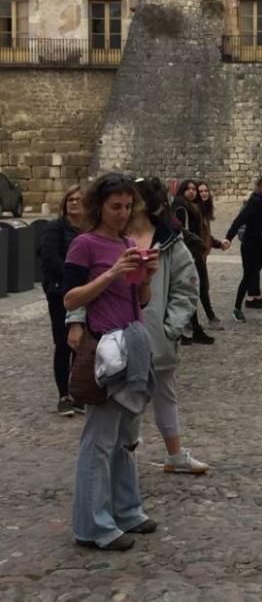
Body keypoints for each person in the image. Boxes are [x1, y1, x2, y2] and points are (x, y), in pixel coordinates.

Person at [63, 173, 159, 551]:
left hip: (132, 345)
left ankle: (126, 509)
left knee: (126, 439)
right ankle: (93, 525)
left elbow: (141, 300)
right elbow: (70, 299)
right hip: (106, 348)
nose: (122, 213)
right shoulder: (83, 245)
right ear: (99, 206)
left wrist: (145, 277)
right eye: (115, 206)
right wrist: (112, 272)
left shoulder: (127, 243)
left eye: (127, 206)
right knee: (99, 440)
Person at [122, 178, 209, 474]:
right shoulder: (112, 238)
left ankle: (175, 455)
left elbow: (186, 286)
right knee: (126, 400)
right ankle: (124, 461)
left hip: (158, 334)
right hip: (119, 335)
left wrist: (172, 326)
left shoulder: (170, 241)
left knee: (164, 395)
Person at [39, 185, 84, 416]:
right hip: (60, 293)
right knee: (63, 343)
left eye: (78, 199)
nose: (74, 203)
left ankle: (77, 392)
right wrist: (72, 279)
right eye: (70, 199)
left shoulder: (88, 230)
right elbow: (49, 258)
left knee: (81, 345)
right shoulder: (54, 228)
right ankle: (63, 395)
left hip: (85, 293)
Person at [223, 175, 262, 324]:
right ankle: (237, 309)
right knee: (248, 277)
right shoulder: (255, 202)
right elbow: (239, 220)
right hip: (251, 246)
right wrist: (228, 238)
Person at [172, 179, 214, 345]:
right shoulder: (182, 208)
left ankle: (190, 330)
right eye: (188, 189)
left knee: (196, 290)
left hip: (196, 252)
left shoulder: (193, 207)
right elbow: (183, 232)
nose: (192, 192)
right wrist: (197, 243)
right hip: (191, 254)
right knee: (193, 290)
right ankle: (192, 329)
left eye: (194, 189)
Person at [195, 181, 224, 331]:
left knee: (201, 288)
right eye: (201, 191)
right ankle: (210, 318)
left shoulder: (203, 211)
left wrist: (218, 244)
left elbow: (206, 236)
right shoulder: (196, 212)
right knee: (201, 287)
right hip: (195, 256)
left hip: (201, 255)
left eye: (206, 190)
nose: (204, 193)